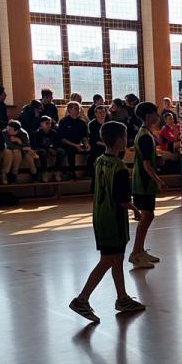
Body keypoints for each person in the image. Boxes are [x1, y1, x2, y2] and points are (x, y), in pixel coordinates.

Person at [68, 120, 146, 322]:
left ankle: (122, 298)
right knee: (107, 260)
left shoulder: (99, 160)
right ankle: (82, 299)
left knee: (117, 257)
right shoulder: (120, 167)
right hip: (113, 218)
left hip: (100, 214)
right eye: (125, 136)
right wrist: (135, 210)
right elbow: (122, 200)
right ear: (120, 140)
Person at [129, 102, 164, 270]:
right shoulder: (144, 136)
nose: (158, 115)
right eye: (155, 112)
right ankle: (136, 253)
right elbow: (146, 164)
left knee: (148, 215)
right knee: (147, 216)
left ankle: (140, 251)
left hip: (144, 180)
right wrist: (158, 180)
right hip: (143, 181)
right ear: (148, 115)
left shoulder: (146, 133)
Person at [58, 102, 89, 179]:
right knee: (70, 150)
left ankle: (89, 172)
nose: (78, 111)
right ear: (69, 110)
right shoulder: (63, 121)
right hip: (67, 144)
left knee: (93, 149)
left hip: (79, 144)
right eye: (75, 109)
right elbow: (62, 138)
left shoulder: (82, 122)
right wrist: (75, 145)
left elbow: (84, 136)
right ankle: (72, 173)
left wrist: (87, 144)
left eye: (78, 109)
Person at [3, 119, 36, 183]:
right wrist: (22, 147)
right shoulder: (5, 132)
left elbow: (28, 146)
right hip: (13, 150)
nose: (8, 130)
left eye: (10, 130)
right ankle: (14, 173)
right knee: (16, 151)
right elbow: (10, 145)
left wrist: (19, 141)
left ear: (17, 131)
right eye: (8, 128)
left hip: (24, 151)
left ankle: (34, 174)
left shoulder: (23, 133)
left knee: (29, 157)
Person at [32, 115, 63, 182]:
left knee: (61, 151)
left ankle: (56, 171)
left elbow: (57, 143)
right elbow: (37, 145)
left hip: (51, 149)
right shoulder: (38, 133)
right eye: (47, 123)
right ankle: (44, 172)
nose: (49, 125)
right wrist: (48, 149)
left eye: (50, 123)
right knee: (42, 152)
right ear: (41, 124)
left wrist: (54, 148)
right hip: (41, 149)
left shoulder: (53, 132)